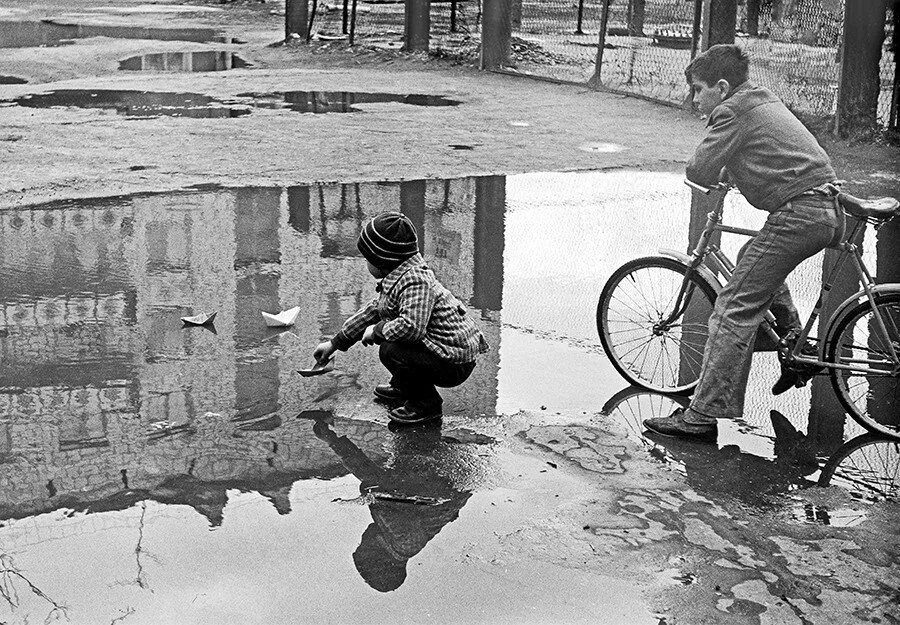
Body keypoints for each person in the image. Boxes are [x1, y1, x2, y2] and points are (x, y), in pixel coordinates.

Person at [644, 44, 844, 441]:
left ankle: (700, 416)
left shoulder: (732, 111)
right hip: (827, 207)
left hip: (799, 213)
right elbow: (772, 152)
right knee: (750, 259)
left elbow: (700, 166)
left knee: (732, 308)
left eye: (698, 90)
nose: (695, 99)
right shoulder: (762, 101)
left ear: (721, 87)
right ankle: (793, 346)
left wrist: (710, 173)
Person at [313, 212, 489, 425]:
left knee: (391, 350)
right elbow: (373, 311)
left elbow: (412, 328)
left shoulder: (415, 282)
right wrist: (335, 343)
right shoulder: (399, 276)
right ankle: (404, 386)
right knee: (394, 343)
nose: (367, 264)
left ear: (382, 261)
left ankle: (426, 404)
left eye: (368, 259)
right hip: (439, 351)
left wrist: (378, 330)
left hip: (453, 361)